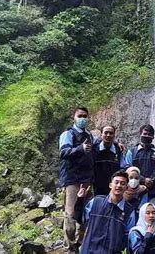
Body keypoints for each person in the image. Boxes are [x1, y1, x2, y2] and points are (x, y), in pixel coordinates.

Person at [58, 107, 94, 252]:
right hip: (72, 180)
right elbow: (64, 152)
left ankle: (81, 243)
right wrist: (80, 148)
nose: (83, 118)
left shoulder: (89, 135)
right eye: (80, 116)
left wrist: (117, 144)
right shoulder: (67, 134)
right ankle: (70, 247)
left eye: (85, 116)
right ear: (74, 117)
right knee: (71, 213)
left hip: (87, 180)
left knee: (86, 212)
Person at [75, 170, 136, 254]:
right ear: (110, 185)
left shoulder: (129, 211)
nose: (119, 185)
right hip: (89, 250)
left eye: (122, 183)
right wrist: (79, 200)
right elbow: (80, 219)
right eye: (116, 182)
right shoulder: (96, 201)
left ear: (126, 187)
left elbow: (128, 237)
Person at [125, 124, 155, 205]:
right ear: (140, 135)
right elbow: (127, 168)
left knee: (152, 214)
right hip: (135, 190)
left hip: (154, 191)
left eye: (149, 134)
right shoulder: (132, 151)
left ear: (153, 137)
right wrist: (143, 180)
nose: (147, 136)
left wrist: (151, 180)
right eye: (145, 134)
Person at [91, 125, 126, 195]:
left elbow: (122, 167)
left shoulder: (118, 150)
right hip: (96, 187)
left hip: (114, 188)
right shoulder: (94, 149)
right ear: (101, 134)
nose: (108, 135)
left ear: (114, 135)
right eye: (106, 132)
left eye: (111, 133)